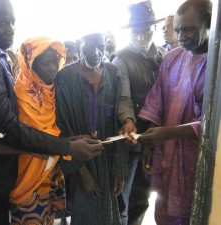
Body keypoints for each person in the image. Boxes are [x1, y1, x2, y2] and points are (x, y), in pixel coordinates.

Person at [0, 0, 103, 224]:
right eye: (2, 23)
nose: (11, 30)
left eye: (12, 22)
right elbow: (9, 129)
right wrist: (68, 147)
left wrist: (66, 141)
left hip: (1, 169)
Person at [138, 0, 212, 224]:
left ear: (210, 23)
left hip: (196, 159)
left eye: (188, 30)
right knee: (164, 211)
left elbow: (213, 124)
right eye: (177, 30)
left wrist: (168, 133)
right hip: (166, 154)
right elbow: (156, 101)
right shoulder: (172, 58)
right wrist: (151, 142)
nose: (180, 37)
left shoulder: (216, 65)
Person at [55, 32, 136, 225]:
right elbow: (63, 128)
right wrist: (83, 173)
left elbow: (120, 114)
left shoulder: (113, 73)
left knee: (109, 213)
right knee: (84, 213)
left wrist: (118, 169)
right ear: (78, 45)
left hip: (108, 159)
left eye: (100, 46)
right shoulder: (64, 77)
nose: (95, 52)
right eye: (88, 47)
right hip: (79, 160)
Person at [110, 1, 165, 224]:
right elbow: (123, 97)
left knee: (143, 196)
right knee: (123, 196)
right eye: (136, 31)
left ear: (153, 29)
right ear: (129, 32)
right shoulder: (121, 59)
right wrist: (128, 120)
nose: (141, 36)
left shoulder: (164, 55)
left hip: (156, 138)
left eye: (146, 30)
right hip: (131, 139)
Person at [10, 37, 70, 224]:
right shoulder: (23, 88)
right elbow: (32, 131)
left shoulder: (53, 87)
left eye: (55, 61)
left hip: (51, 165)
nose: (53, 67)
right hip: (31, 166)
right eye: (46, 62)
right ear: (31, 63)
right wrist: (67, 145)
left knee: (48, 217)